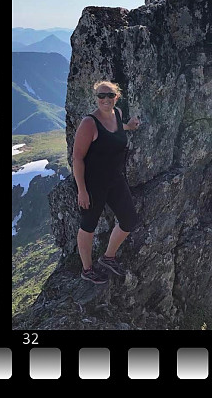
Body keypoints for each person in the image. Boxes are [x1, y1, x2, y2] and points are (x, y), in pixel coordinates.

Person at [72, 80, 142, 284]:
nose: (105, 99)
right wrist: (81, 190)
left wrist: (130, 126)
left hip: (115, 179)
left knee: (129, 220)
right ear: (96, 98)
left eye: (109, 95)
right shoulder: (89, 123)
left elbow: (119, 130)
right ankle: (87, 269)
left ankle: (108, 257)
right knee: (88, 226)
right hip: (93, 184)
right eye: (101, 96)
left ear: (116, 97)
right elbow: (77, 158)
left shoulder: (118, 114)